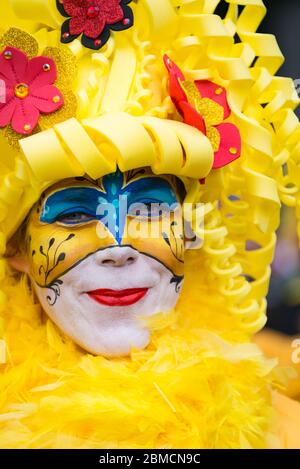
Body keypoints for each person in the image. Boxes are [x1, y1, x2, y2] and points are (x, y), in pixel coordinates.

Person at [0, 0, 299, 449]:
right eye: (75, 213)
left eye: (150, 209)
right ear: (17, 249)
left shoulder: (277, 426)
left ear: (191, 231)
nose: (118, 247)